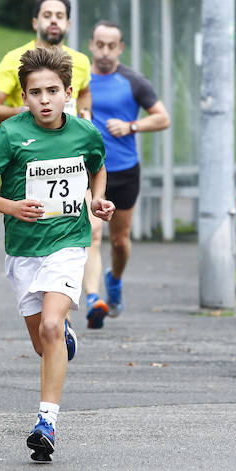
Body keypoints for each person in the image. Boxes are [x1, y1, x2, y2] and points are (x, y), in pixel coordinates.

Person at [0, 48, 114, 462]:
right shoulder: (11, 134)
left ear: (69, 93)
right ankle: (61, 337)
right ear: (24, 97)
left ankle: (46, 423)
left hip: (68, 243)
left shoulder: (85, 133)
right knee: (44, 342)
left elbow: (97, 166)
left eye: (53, 91)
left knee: (52, 324)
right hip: (23, 251)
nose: (45, 100)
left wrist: (98, 200)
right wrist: (12, 206)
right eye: (36, 93)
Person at [83, 21, 170, 329]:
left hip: (124, 171)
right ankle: (94, 299)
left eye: (112, 46)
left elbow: (162, 117)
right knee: (92, 234)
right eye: (100, 44)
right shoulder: (79, 78)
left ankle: (114, 280)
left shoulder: (133, 81)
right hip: (89, 171)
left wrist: (131, 126)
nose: (105, 52)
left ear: (120, 48)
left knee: (119, 241)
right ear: (91, 44)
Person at [0, 0, 92, 124]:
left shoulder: (81, 60)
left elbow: (84, 93)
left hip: (69, 142)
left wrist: (85, 113)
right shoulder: (14, 59)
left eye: (59, 16)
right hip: (28, 140)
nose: (53, 20)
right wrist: (28, 111)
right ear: (35, 23)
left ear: (68, 25)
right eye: (47, 15)